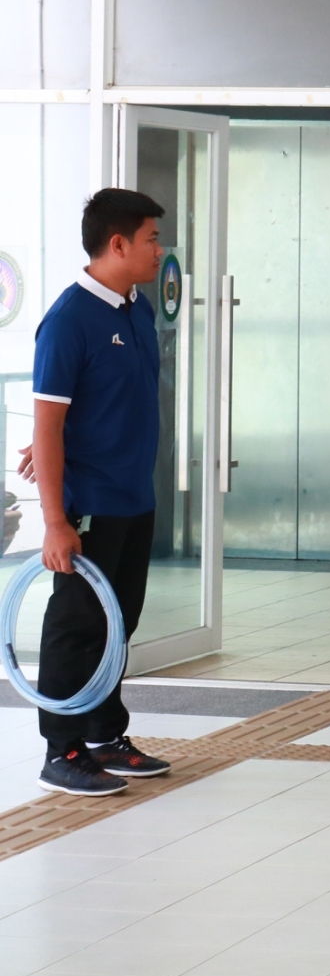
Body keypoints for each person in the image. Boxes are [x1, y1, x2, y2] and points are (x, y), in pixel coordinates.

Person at [24, 190, 174, 796]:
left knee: (118, 622)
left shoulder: (137, 308)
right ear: (118, 244)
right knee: (78, 624)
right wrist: (55, 521)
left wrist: (57, 434)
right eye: (151, 240)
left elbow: (96, 402)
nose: (159, 251)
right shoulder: (69, 320)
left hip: (134, 495)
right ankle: (61, 749)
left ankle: (104, 735)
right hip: (89, 504)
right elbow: (48, 421)